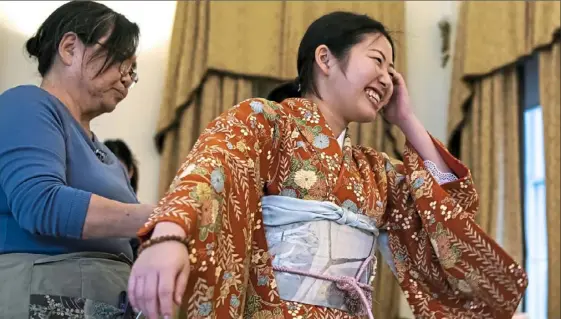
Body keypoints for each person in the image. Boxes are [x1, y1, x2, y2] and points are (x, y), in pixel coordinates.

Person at [128, 12, 528, 319]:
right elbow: (211, 168)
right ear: (325, 58)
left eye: (393, 70)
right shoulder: (267, 121)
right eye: (377, 60)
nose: (388, 78)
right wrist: (169, 236)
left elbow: (451, 211)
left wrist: (408, 121)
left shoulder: (373, 169)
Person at [0, 1, 154, 317]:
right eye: (122, 62)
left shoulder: (108, 156)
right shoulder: (28, 104)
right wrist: (160, 217)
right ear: (70, 48)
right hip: (45, 294)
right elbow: (41, 203)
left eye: (133, 71)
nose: (127, 78)